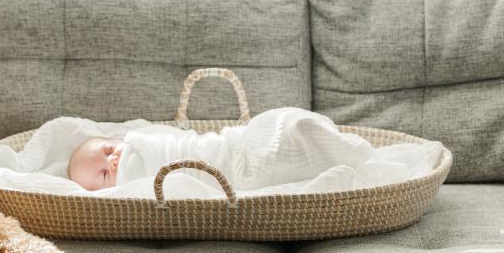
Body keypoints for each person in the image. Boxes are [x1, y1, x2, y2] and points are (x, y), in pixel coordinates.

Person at [68, 107, 377, 192]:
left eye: (109, 149)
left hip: (230, 148)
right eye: (104, 174)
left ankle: (327, 143)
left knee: (280, 126)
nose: (114, 160)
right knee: (275, 164)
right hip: (230, 174)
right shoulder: (128, 188)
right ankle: (333, 152)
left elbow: (179, 140)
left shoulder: (140, 142)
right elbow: (138, 186)